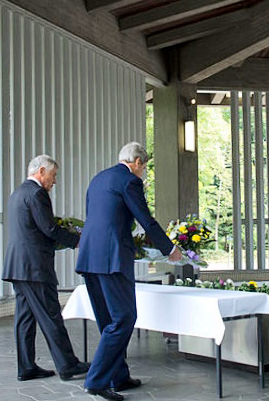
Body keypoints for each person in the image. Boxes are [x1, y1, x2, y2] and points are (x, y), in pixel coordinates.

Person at [76, 142, 183, 401]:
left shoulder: (98, 178)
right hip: (113, 259)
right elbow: (146, 220)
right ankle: (96, 381)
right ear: (136, 162)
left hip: (90, 257)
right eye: (143, 166)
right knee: (124, 318)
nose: (143, 172)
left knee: (107, 321)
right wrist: (169, 249)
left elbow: (98, 217)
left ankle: (118, 376)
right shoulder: (129, 181)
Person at [2, 155, 90, 382]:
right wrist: (77, 240)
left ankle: (26, 367)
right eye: (54, 175)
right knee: (51, 315)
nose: (55, 181)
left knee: (25, 318)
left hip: (18, 266)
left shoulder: (18, 193)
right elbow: (49, 229)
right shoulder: (37, 193)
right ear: (42, 171)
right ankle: (68, 365)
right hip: (34, 267)